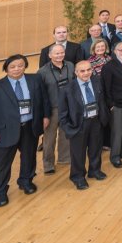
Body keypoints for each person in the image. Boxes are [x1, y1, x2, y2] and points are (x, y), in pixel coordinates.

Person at [0, 54, 50, 207]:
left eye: (20, 65)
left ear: (25, 66)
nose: (17, 69)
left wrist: (45, 116)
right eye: (12, 66)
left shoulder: (35, 80)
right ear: (6, 68)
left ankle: (26, 181)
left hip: (30, 126)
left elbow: (43, 99)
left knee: (29, 157)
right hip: (5, 131)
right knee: (1, 163)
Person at [58, 60, 108, 190]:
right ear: (76, 72)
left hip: (96, 121)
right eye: (82, 71)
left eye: (88, 70)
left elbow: (102, 101)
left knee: (96, 149)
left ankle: (95, 170)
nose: (86, 73)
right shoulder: (67, 89)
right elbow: (62, 113)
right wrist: (68, 128)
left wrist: (104, 118)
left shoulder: (97, 82)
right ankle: (78, 177)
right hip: (78, 125)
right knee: (78, 153)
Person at [37, 44, 74, 174]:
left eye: (62, 53)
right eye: (56, 53)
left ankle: (64, 158)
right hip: (52, 110)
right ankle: (48, 164)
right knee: (49, 139)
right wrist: (44, 115)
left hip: (68, 107)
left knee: (66, 135)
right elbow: (40, 95)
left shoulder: (70, 66)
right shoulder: (42, 72)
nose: (60, 55)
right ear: (50, 55)